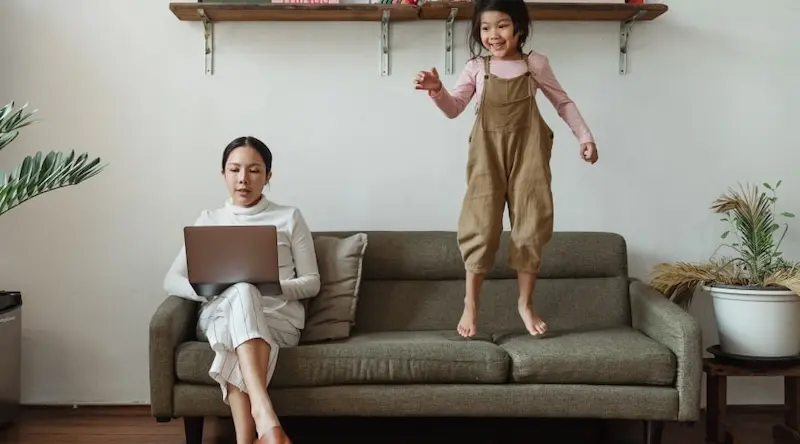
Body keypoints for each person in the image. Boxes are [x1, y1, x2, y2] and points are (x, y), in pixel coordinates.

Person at [414, 0, 598, 339]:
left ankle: (525, 304)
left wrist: (585, 137)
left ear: (518, 29)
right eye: (485, 28)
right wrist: (437, 91)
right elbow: (454, 109)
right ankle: (471, 303)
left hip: (529, 154)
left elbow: (563, 102)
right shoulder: (475, 68)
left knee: (530, 227)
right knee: (480, 228)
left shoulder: (535, 64)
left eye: (501, 26)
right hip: (486, 157)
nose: (492, 34)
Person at [163, 136, 320, 444]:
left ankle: (250, 438)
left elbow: (311, 282)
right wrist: (214, 291)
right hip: (220, 312)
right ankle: (266, 419)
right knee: (241, 292)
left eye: (254, 170)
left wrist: (269, 287)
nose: (243, 179)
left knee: (243, 301)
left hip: (278, 321)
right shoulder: (209, 220)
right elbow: (171, 279)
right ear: (224, 174)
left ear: (268, 176)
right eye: (234, 169)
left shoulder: (289, 217)